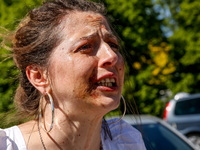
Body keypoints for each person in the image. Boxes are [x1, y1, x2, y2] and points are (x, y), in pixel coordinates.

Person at [0, 0, 146, 149]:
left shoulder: (127, 143)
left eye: (113, 45)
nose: (112, 56)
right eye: (86, 46)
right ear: (40, 77)